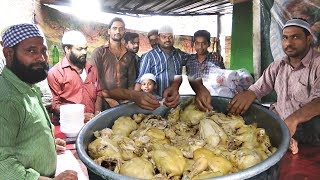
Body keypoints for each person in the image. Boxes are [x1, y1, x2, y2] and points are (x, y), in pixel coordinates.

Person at [227, 18, 320, 155]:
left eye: (295, 37)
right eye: (285, 38)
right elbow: (257, 89)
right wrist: (247, 95)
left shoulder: (317, 64)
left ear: (308, 39)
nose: (289, 43)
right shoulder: (278, 65)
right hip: (282, 123)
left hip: (307, 128)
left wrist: (293, 120)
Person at [0, 23, 77, 179]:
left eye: (44, 51)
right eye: (31, 51)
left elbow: (22, 133)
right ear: (8, 53)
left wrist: (46, 144)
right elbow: (3, 164)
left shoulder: (27, 85)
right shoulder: (7, 99)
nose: (41, 58)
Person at [48, 30, 102, 124]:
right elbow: (54, 105)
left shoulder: (91, 69)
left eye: (85, 48)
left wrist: (97, 114)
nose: (84, 52)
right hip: (68, 126)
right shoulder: (55, 73)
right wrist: (79, 116)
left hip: (90, 124)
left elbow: (99, 93)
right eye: (79, 49)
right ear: (67, 49)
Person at [90, 17, 136, 109]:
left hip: (124, 103)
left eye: (121, 28)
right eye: (114, 28)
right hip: (103, 102)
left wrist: (129, 99)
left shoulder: (129, 55)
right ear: (108, 31)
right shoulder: (99, 52)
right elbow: (94, 80)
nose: (118, 31)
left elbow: (131, 82)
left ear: (124, 32)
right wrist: (108, 98)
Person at [135, 25, 188, 97]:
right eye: (164, 37)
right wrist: (135, 98)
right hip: (155, 101)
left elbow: (194, 59)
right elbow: (140, 81)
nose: (167, 40)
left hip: (173, 99)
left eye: (170, 37)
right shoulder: (149, 56)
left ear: (174, 38)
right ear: (158, 38)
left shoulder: (179, 55)